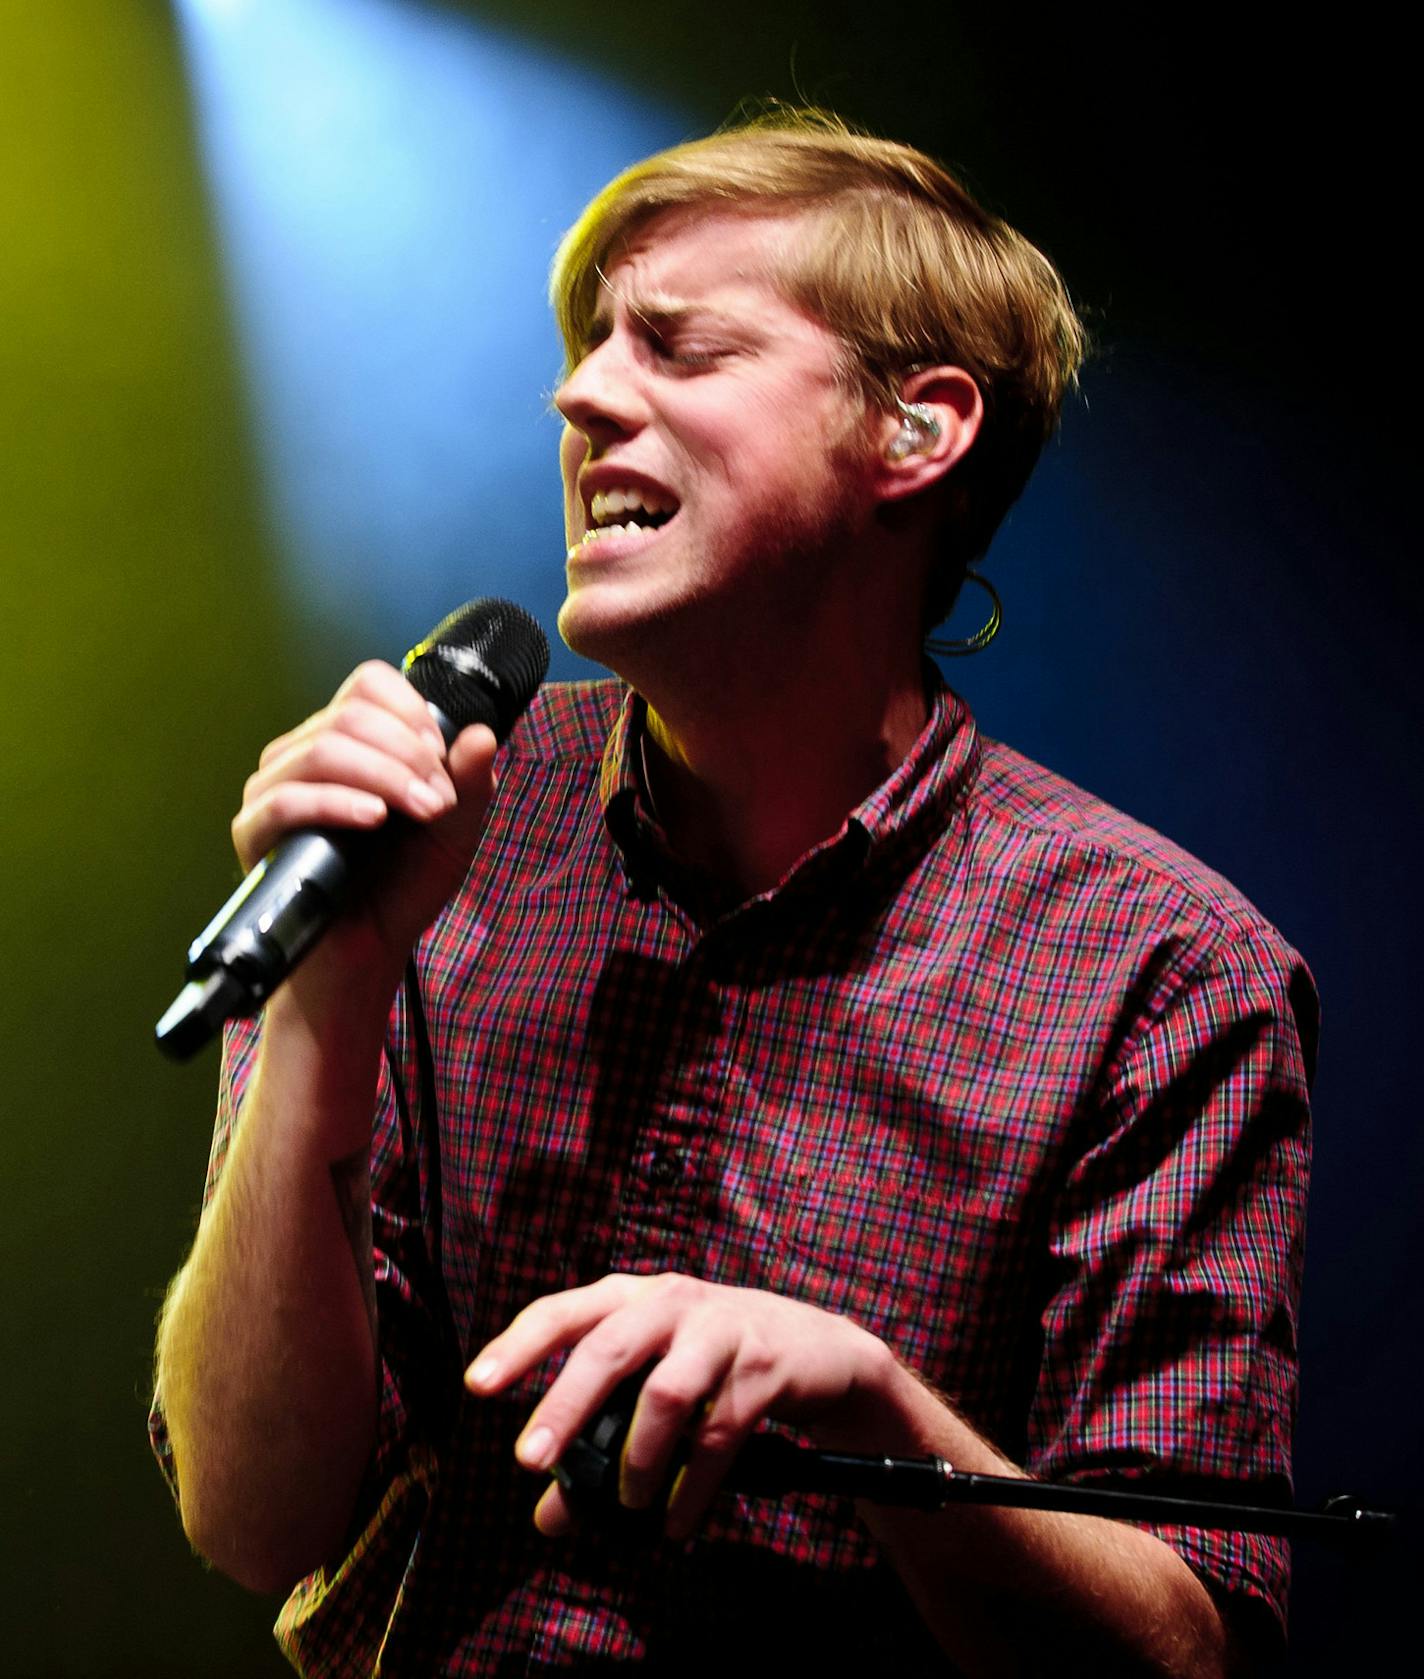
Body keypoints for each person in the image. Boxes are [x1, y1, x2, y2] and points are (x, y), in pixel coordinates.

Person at [150, 110, 1314, 1676]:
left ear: (919, 429)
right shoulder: (436, 817)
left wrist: (863, 1399)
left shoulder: (1165, 973)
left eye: (676, 349)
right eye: (587, 347)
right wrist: (325, 1002)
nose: (578, 391)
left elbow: (1192, 1648)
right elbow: (249, 1517)